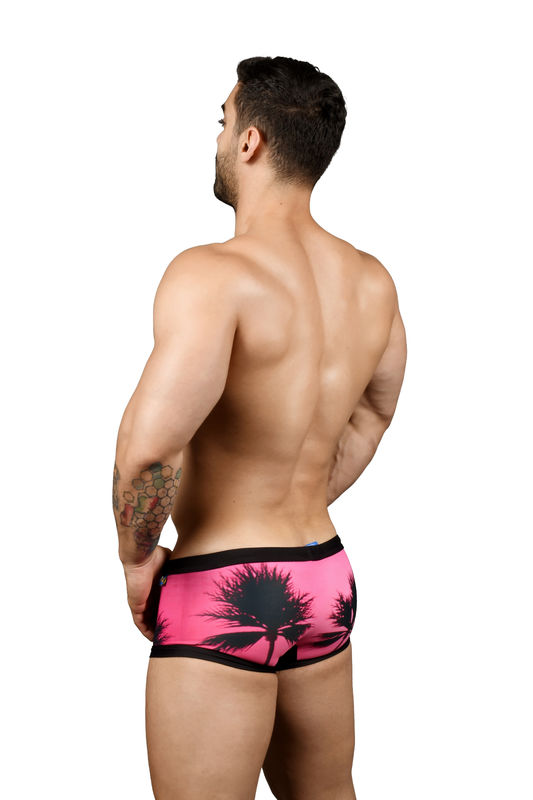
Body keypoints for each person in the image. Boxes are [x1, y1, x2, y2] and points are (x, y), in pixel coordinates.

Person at [112, 55, 407, 800]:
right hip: (324, 573)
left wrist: (137, 561)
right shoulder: (371, 281)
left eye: (222, 121)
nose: (218, 137)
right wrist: (293, 492)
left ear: (250, 141)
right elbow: (373, 414)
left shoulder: (213, 274)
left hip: (222, 581)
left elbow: (149, 453)